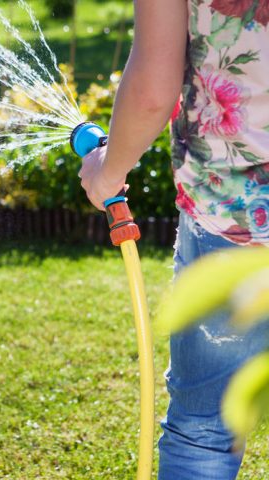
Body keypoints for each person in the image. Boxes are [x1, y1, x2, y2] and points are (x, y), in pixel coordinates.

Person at [78, 1, 269, 479]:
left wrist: (108, 171)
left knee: (205, 428)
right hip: (233, 213)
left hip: (235, 213)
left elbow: (152, 89)